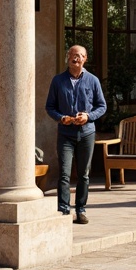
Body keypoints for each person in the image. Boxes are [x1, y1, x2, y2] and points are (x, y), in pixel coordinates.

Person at [45, 45, 106, 224]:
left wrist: (88, 116)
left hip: (87, 134)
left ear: (85, 59)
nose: (75, 58)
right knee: (64, 174)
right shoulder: (58, 81)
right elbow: (50, 107)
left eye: (79, 56)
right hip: (65, 134)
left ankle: (81, 210)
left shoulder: (93, 81)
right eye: (72, 55)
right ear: (67, 58)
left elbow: (101, 106)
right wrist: (61, 117)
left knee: (84, 174)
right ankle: (64, 210)